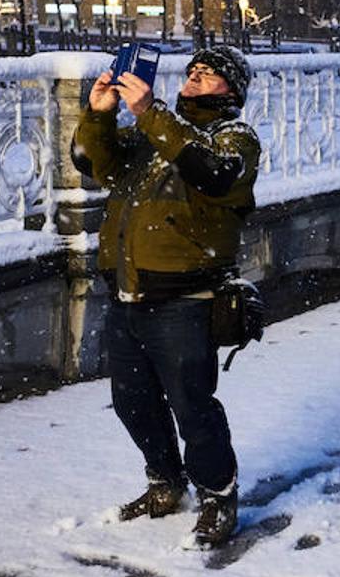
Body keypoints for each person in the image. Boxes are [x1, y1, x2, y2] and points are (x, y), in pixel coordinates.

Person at [72, 44, 260, 548]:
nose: (196, 78)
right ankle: (165, 480)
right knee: (132, 402)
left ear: (232, 91)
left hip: (185, 298)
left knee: (192, 407)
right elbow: (92, 163)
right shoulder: (154, 134)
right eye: (193, 71)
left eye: (210, 75)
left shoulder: (235, 140)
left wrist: (150, 112)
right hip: (127, 293)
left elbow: (211, 172)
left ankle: (217, 494)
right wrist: (99, 115)